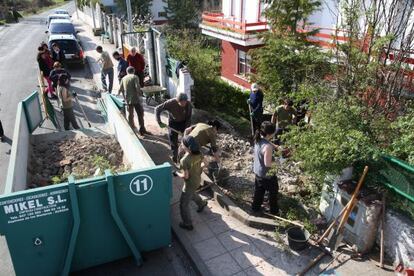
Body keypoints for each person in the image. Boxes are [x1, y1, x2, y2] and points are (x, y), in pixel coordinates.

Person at [175, 136, 208, 230]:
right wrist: (198, 168)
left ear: (187, 147)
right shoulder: (199, 153)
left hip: (189, 184)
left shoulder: (184, 160)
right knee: (192, 193)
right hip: (197, 180)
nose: (181, 144)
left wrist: (177, 173)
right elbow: (206, 163)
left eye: (182, 143)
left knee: (183, 205)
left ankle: (187, 224)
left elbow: (185, 176)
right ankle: (201, 204)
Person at [155, 93, 192, 163]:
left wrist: (186, 130)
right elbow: (157, 109)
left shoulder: (188, 104)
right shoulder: (171, 103)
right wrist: (159, 121)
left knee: (186, 140)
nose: (184, 104)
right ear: (178, 101)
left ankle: (184, 157)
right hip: (173, 123)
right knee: (173, 141)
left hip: (184, 122)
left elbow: (189, 118)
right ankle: (175, 157)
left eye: (185, 102)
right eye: (182, 102)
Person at [251, 121, 279, 215]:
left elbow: (267, 142)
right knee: (273, 192)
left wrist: (275, 146)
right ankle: (274, 212)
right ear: (271, 133)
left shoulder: (258, 139)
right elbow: (268, 164)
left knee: (259, 192)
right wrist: (279, 162)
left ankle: (255, 208)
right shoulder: (267, 147)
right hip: (267, 175)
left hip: (258, 172)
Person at [118, 66, 149, 135]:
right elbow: (137, 86)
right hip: (136, 99)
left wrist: (122, 96)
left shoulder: (123, 78)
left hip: (128, 99)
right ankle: (142, 130)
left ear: (127, 71)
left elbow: (120, 89)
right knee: (140, 114)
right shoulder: (135, 77)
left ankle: (132, 129)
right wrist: (140, 94)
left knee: (130, 115)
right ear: (134, 71)